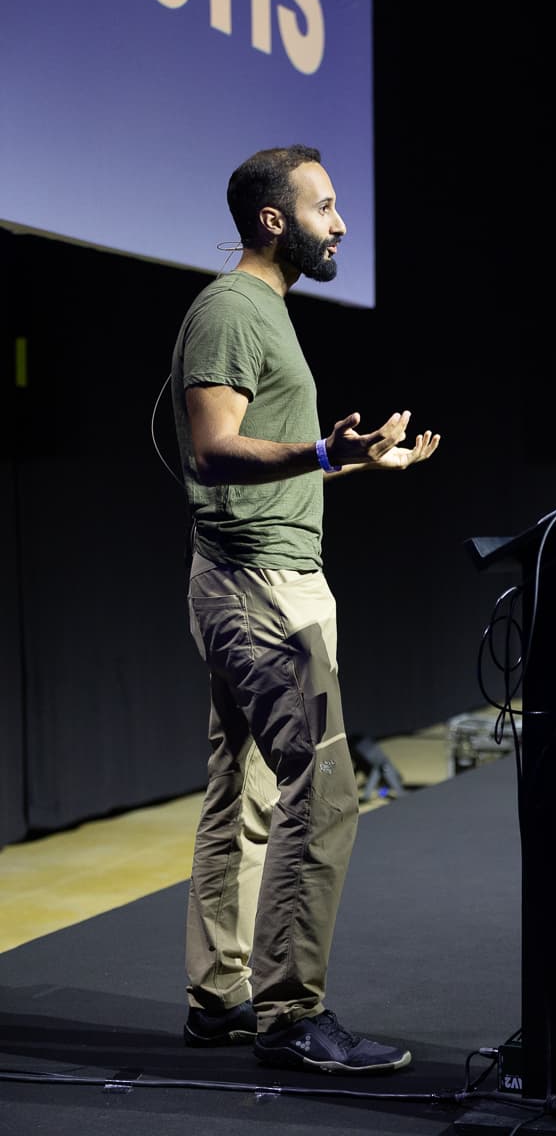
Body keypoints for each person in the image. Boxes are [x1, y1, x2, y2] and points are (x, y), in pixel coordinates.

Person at [170, 144, 440, 1074]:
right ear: (275, 221)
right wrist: (323, 456)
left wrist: (358, 462)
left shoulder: (265, 313)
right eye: (325, 207)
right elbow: (212, 450)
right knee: (321, 792)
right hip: (258, 589)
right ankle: (289, 1017)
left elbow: (268, 455)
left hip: (260, 577)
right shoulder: (231, 311)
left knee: (242, 790)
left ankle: (220, 998)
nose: (342, 223)